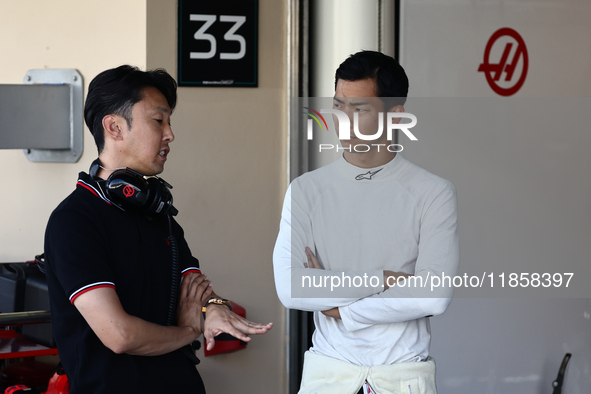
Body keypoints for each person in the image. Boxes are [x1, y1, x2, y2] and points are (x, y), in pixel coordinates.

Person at [44, 65, 273, 394]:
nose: (170, 134)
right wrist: (188, 330)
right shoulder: (74, 222)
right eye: (158, 120)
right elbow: (119, 335)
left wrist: (215, 311)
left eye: (169, 122)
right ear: (115, 127)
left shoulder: (157, 214)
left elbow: (197, 292)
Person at [273, 51, 459, 394]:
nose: (343, 119)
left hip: (402, 379)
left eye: (359, 109)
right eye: (339, 105)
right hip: (328, 379)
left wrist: (337, 307)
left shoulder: (433, 193)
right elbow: (290, 287)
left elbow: (433, 296)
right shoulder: (306, 191)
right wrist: (384, 279)